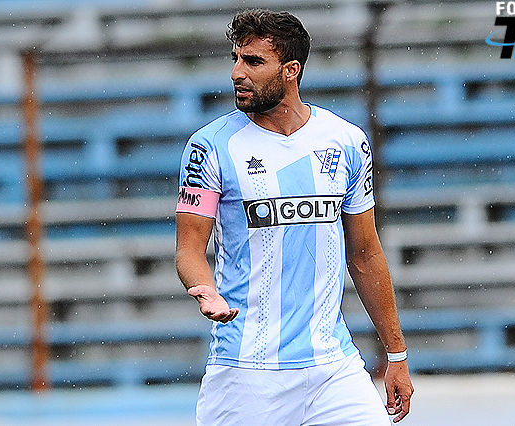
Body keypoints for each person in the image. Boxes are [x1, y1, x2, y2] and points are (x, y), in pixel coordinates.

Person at [175, 8, 413, 426]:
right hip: (247, 372)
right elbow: (189, 249)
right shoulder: (209, 147)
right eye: (235, 58)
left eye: (253, 61)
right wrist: (204, 288)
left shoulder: (346, 141)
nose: (236, 73)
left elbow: (364, 253)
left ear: (291, 70)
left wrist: (397, 354)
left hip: (332, 367)